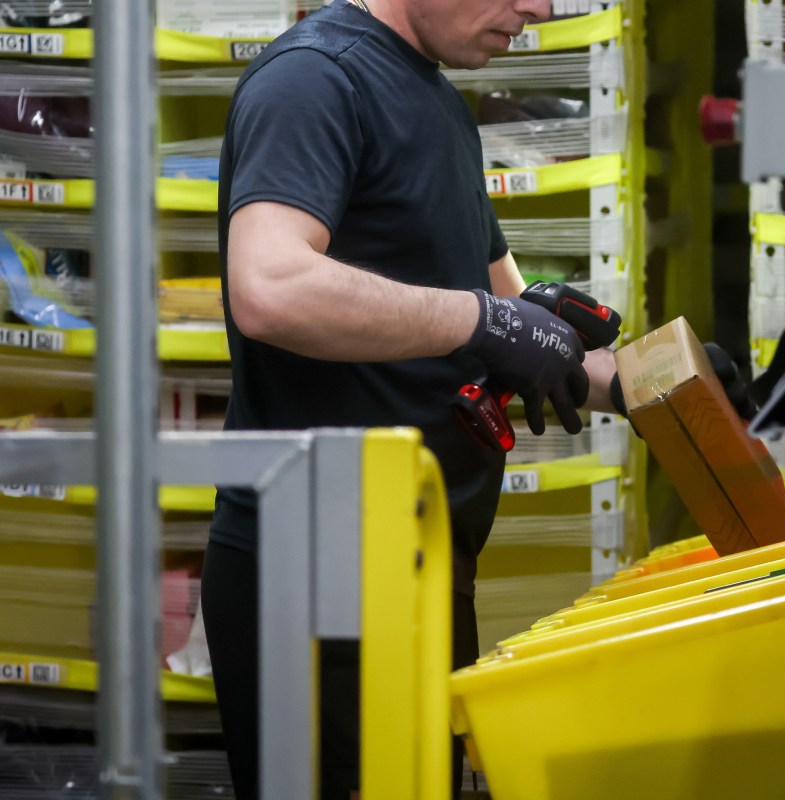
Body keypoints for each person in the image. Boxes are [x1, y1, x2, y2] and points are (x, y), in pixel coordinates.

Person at [200, 0, 751, 797]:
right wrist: (485, 321)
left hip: (421, 568)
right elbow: (270, 287)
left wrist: (655, 381)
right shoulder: (315, 79)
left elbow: (516, 319)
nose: (540, 8)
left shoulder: (436, 100)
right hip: (319, 580)